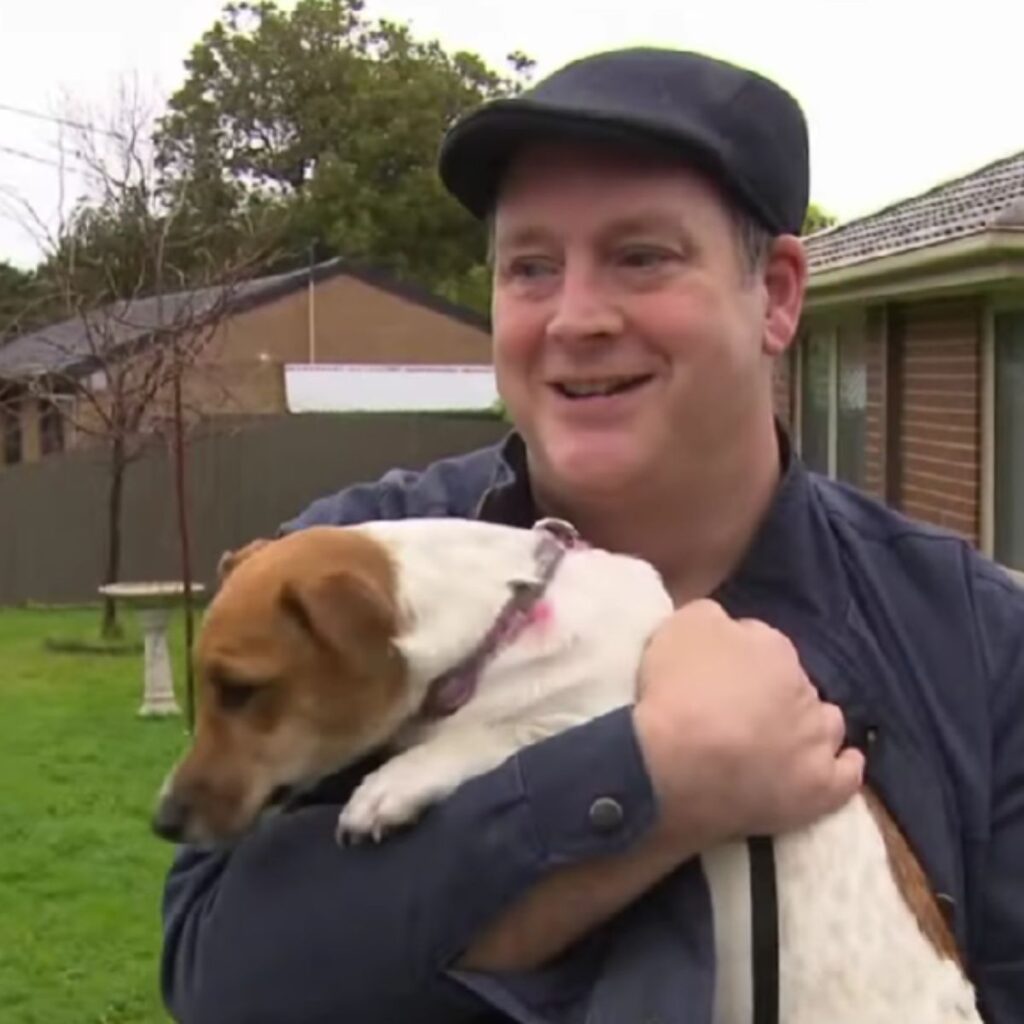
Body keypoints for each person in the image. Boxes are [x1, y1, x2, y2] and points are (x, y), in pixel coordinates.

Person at [159, 47, 1024, 1024]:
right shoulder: (347, 573)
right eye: (529, 266)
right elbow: (226, 987)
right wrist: (653, 783)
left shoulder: (976, 642)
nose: (574, 317)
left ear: (778, 294)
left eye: (640, 256)